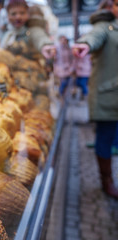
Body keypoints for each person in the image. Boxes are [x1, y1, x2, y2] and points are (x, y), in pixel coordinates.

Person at [72, 0, 118, 199]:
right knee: (105, 138)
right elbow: (93, 37)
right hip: (109, 96)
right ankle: (106, 180)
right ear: (112, 7)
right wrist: (85, 44)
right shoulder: (105, 27)